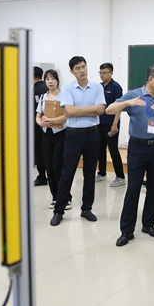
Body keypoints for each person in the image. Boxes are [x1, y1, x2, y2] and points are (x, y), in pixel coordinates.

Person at [106, 65, 154, 246]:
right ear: (150, 79)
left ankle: (148, 224)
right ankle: (126, 230)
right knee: (133, 188)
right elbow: (109, 109)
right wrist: (127, 103)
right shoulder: (134, 94)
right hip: (138, 148)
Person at [49, 56, 106, 227]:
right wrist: (89, 110)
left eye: (84, 66)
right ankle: (59, 211)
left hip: (92, 134)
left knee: (89, 173)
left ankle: (86, 208)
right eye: (78, 68)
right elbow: (69, 111)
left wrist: (77, 110)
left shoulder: (97, 87)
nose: (82, 70)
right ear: (72, 71)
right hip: (74, 134)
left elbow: (100, 110)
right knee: (67, 173)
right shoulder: (68, 88)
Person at [36, 69, 71, 210]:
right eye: (47, 79)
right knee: (49, 167)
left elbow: (67, 115)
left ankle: (66, 197)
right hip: (46, 133)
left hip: (60, 133)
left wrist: (52, 120)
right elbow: (38, 116)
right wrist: (41, 123)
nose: (50, 81)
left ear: (57, 80)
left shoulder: (64, 95)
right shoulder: (43, 96)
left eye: (53, 78)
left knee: (58, 166)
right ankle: (55, 197)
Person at [95, 63, 126, 187]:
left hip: (111, 123)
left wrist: (115, 124)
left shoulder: (116, 87)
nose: (102, 75)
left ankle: (120, 177)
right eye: (101, 72)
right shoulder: (99, 87)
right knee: (100, 149)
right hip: (99, 123)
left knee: (113, 150)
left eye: (105, 72)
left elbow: (119, 107)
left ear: (111, 73)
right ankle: (102, 173)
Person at [33, 66, 48, 186]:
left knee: (39, 151)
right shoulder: (47, 88)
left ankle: (42, 176)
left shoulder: (35, 90)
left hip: (38, 125)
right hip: (50, 124)